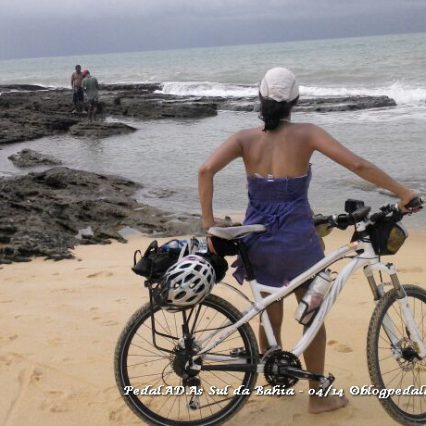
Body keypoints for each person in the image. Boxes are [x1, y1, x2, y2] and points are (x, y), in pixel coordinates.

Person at [198, 67, 419, 414]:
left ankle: (275, 378)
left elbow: (204, 171)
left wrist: (209, 225)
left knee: (269, 310)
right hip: (298, 240)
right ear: (295, 101)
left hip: (258, 239)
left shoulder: (244, 138)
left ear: (260, 98)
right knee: (311, 315)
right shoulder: (307, 134)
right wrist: (403, 192)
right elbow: (358, 165)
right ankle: (317, 395)